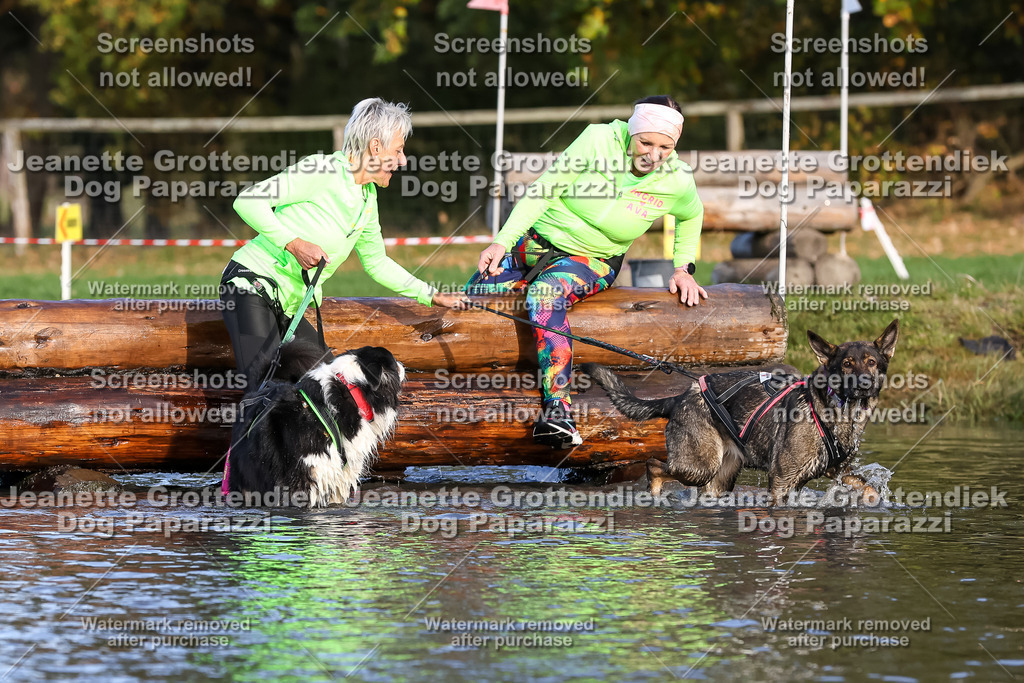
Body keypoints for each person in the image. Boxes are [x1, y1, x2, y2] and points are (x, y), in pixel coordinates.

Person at [468, 95, 707, 449]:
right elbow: (543, 190)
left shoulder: (677, 179)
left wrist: (683, 268)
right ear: (631, 132)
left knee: (545, 296)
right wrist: (502, 242)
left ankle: (558, 411)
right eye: (645, 142)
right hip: (534, 242)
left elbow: (691, 216)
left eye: (665, 147)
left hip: (590, 259)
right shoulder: (597, 139)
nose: (653, 155)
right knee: (472, 298)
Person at [219, 97, 468, 379]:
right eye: (398, 150)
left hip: (289, 307)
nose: (402, 160)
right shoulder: (322, 170)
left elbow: (377, 263)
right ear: (376, 147)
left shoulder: (367, 200)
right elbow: (248, 201)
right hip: (250, 284)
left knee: (326, 387)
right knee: (264, 391)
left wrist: (431, 295)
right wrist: (294, 243)